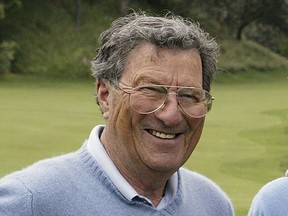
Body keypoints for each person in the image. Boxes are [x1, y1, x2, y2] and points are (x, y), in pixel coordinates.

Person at [0, 12, 234, 215]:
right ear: (105, 95)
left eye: (189, 95)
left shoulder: (213, 205)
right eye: (150, 90)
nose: (171, 115)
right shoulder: (26, 202)